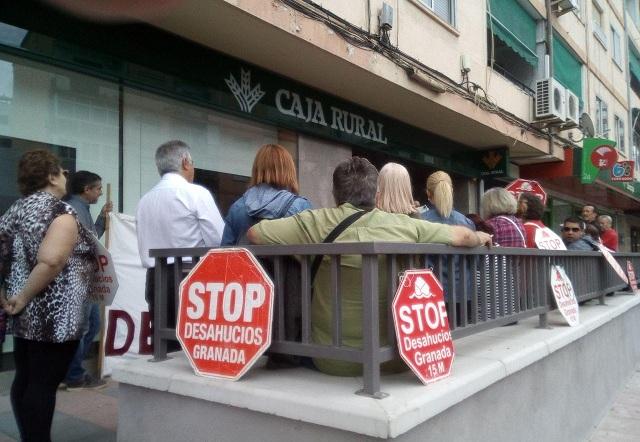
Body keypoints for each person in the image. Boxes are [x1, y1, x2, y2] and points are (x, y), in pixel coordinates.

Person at [247, 157, 492, 376]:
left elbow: (255, 234)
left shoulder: (316, 220)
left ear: (335, 194)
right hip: (397, 360)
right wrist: (480, 237)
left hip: (332, 360)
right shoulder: (407, 225)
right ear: (376, 195)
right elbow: (463, 237)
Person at [0, 150, 96, 442]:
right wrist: (26, 296)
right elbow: (52, 260)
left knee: (26, 378)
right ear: (51, 176)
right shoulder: (61, 212)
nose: (66, 176)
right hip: (55, 317)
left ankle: (31, 436)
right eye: (63, 172)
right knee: (44, 383)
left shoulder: (15, 209)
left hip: (22, 312)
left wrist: (8, 297)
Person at [136, 140, 224, 340]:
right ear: (185, 162)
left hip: (155, 278)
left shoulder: (145, 199)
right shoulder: (195, 193)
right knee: (193, 343)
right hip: (190, 277)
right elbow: (219, 239)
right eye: (192, 163)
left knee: (163, 344)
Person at [62, 171, 112, 390]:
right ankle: (73, 376)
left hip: (84, 280)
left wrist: (101, 217)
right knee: (82, 328)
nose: (100, 193)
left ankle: (69, 371)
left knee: (92, 325)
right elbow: (83, 246)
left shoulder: (82, 210)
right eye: (98, 188)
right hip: (78, 280)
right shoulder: (74, 210)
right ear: (87, 190)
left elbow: (91, 239)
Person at [222, 144, 311, 245]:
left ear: (257, 170)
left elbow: (225, 252)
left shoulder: (237, 208)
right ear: (289, 170)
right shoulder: (300, 206)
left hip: (247, 261)